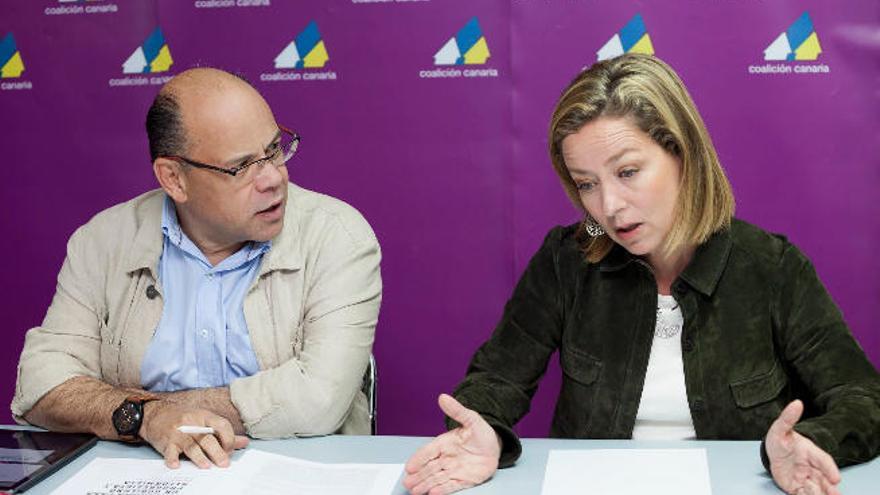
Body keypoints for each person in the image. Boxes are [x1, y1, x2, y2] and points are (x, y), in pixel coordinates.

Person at [403, 54, 880, 495]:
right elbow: (497, 379)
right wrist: (482, 427)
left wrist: (810, 440)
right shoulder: (566, 256)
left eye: (627, 172)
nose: (608, 207)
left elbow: (863, 398)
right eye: (586, 184)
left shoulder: (770, 265)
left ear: (683, 155)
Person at [11, 67, 382, 469]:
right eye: (242, 167)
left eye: (274, 149)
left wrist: (148, 411)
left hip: (294, 474)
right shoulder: (103, 242)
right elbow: (39, 384)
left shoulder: (338, 236)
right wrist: (149, 419)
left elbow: (318, 399)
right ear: (174, 179)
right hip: (146, 473)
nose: (274, 178)